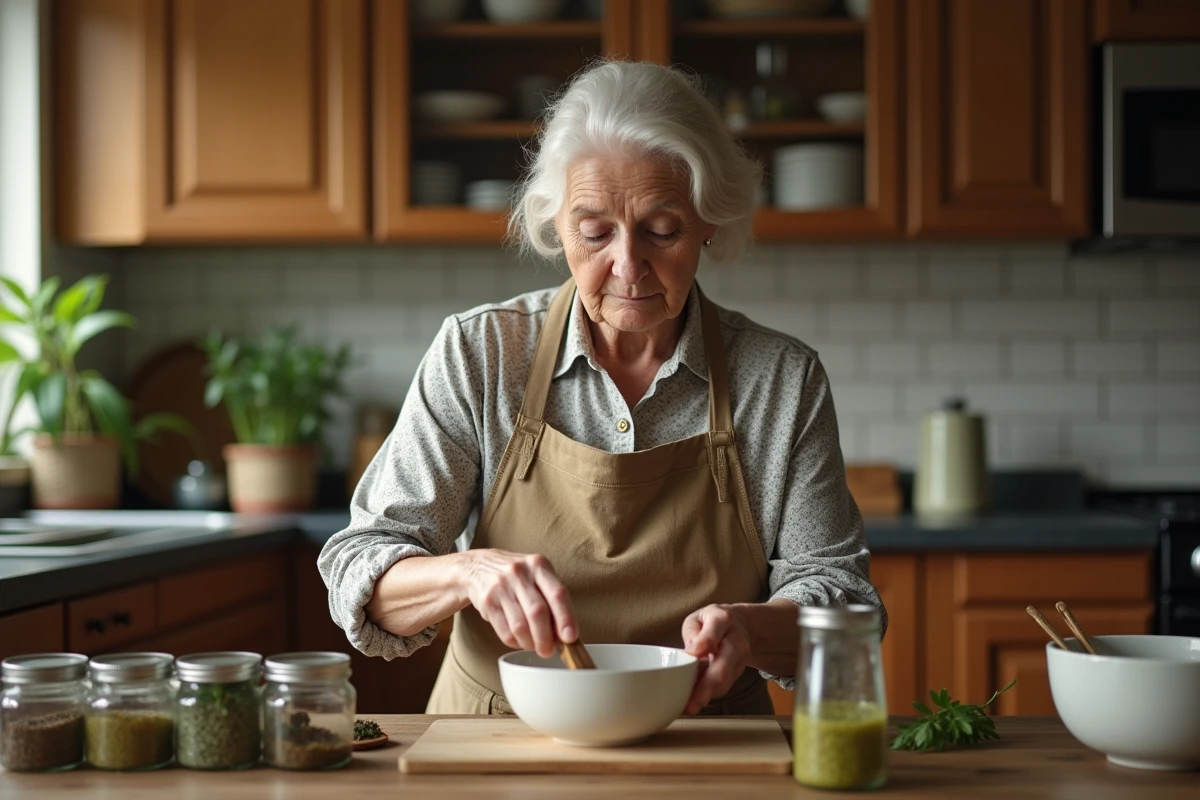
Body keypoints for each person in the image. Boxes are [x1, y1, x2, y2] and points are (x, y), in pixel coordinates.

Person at [319, 60, 884, 716]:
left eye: (662, 230)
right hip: (499, 740)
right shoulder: (481, 354)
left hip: (706, 743)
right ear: (557, 227)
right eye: (595, 232)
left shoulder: (781, 380)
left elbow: (843, 599)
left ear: (710, 220)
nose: (627, 265)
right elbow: (364, 563)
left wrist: (750, 631)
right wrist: (467, 574)